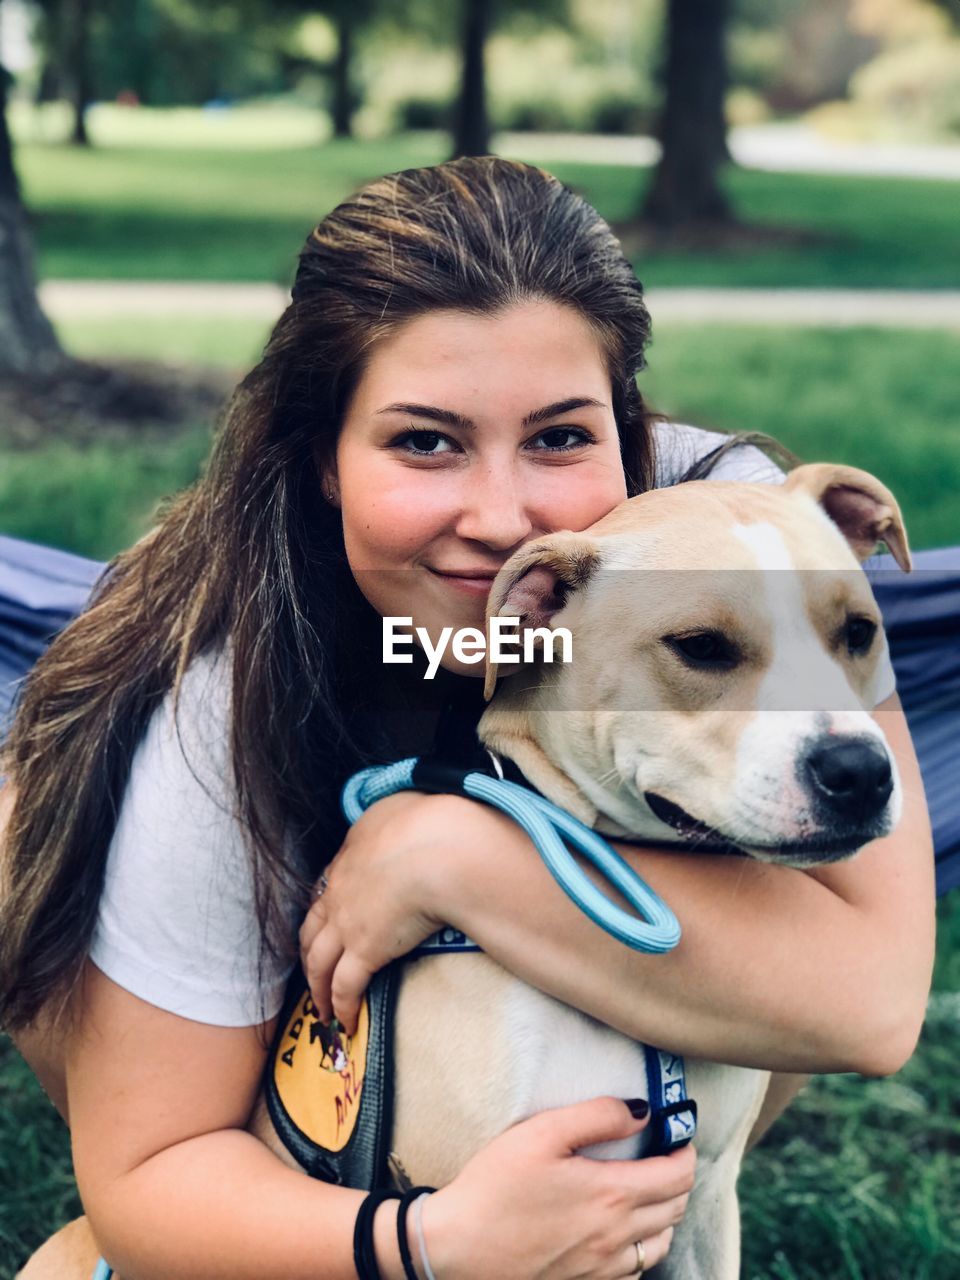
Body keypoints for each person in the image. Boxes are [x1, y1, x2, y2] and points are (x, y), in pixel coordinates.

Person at [0, 156, 934, 1280]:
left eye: (559, 435)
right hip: (280, 1128)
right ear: (324, 462)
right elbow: (149, 1178)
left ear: (631, 428)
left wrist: (453, 854)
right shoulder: (218, 696)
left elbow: (873, 1009)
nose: (502, 517)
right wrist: (427, 1239)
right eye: (424, 440)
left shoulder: (752, 534)